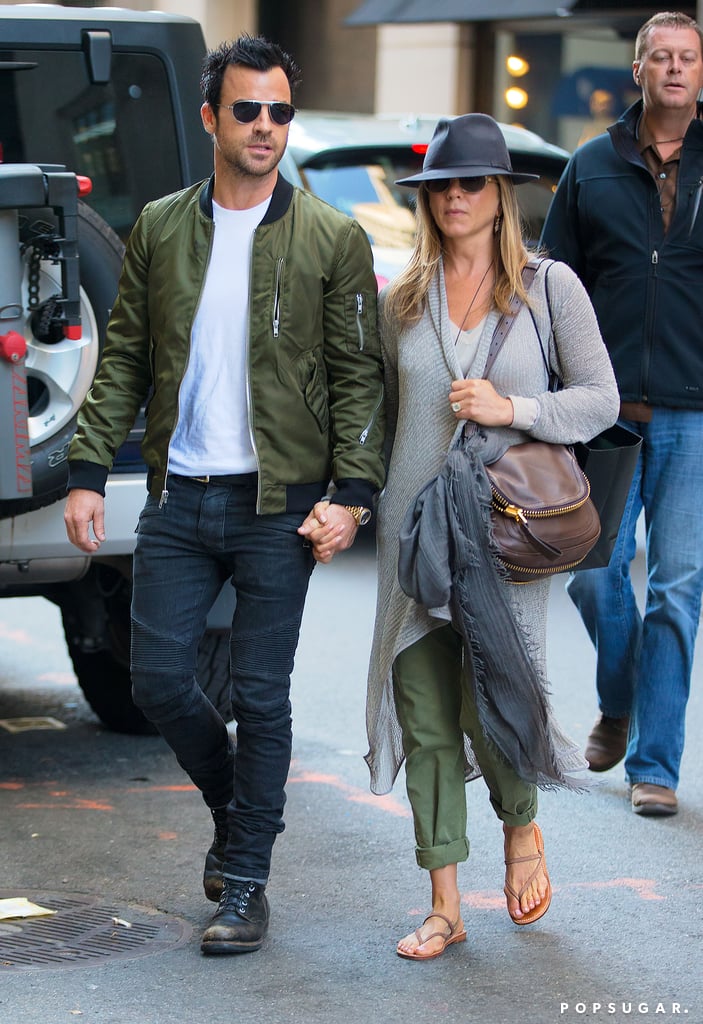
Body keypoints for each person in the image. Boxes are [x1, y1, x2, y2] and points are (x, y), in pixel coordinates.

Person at [63, 35, 385, 955]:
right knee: (158, 678)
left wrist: (352, 493)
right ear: (211, 118)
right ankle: (237, 804)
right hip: (180, 494)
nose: (265, 128)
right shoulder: (164, 225)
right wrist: (89, 470)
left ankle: (244, 882)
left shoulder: (330, 235)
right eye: (247, 110)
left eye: (280, 111)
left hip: (278, 505)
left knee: (263, 694)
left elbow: (359, 376)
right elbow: (122, 355)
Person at [364, 113, 619, 960]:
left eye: (469, 183)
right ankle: (443, 901)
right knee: (425, 711)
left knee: (491, 702)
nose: (452, 198)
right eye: (438, 186)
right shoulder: (403, 297)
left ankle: (520, 830)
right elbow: (378, 418)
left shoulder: (548, 289)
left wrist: (516, 410)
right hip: (414, 537)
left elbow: (600, 400)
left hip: (503, 538)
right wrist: (346, 501)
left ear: (500, 194)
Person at [541, 11, 703, 817]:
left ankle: (654, 767)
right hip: (603, 415)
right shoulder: (590, 167)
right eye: (659, 57)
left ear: (700, 74)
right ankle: (621, 696)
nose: (673, 69)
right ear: (636, 69)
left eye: (687, 58)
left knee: (677, 587)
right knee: (592, 571)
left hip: (694, 415)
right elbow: (549, 286)